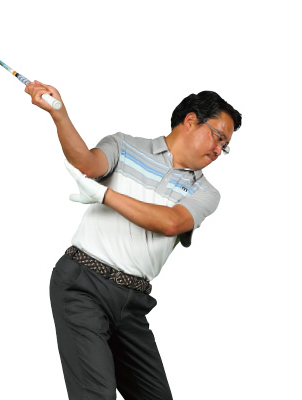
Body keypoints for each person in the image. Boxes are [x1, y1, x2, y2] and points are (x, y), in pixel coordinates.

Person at [25, 81, 242, 400]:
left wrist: (105, 195)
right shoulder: (124, 146)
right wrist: (60, 115)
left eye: (224, 146)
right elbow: (87, 164)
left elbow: (171, 223)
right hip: (82, 284)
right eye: (218, 137)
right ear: (191, 120)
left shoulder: (206, 193)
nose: (218, 151)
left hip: (132, 302)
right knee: (96, 395)